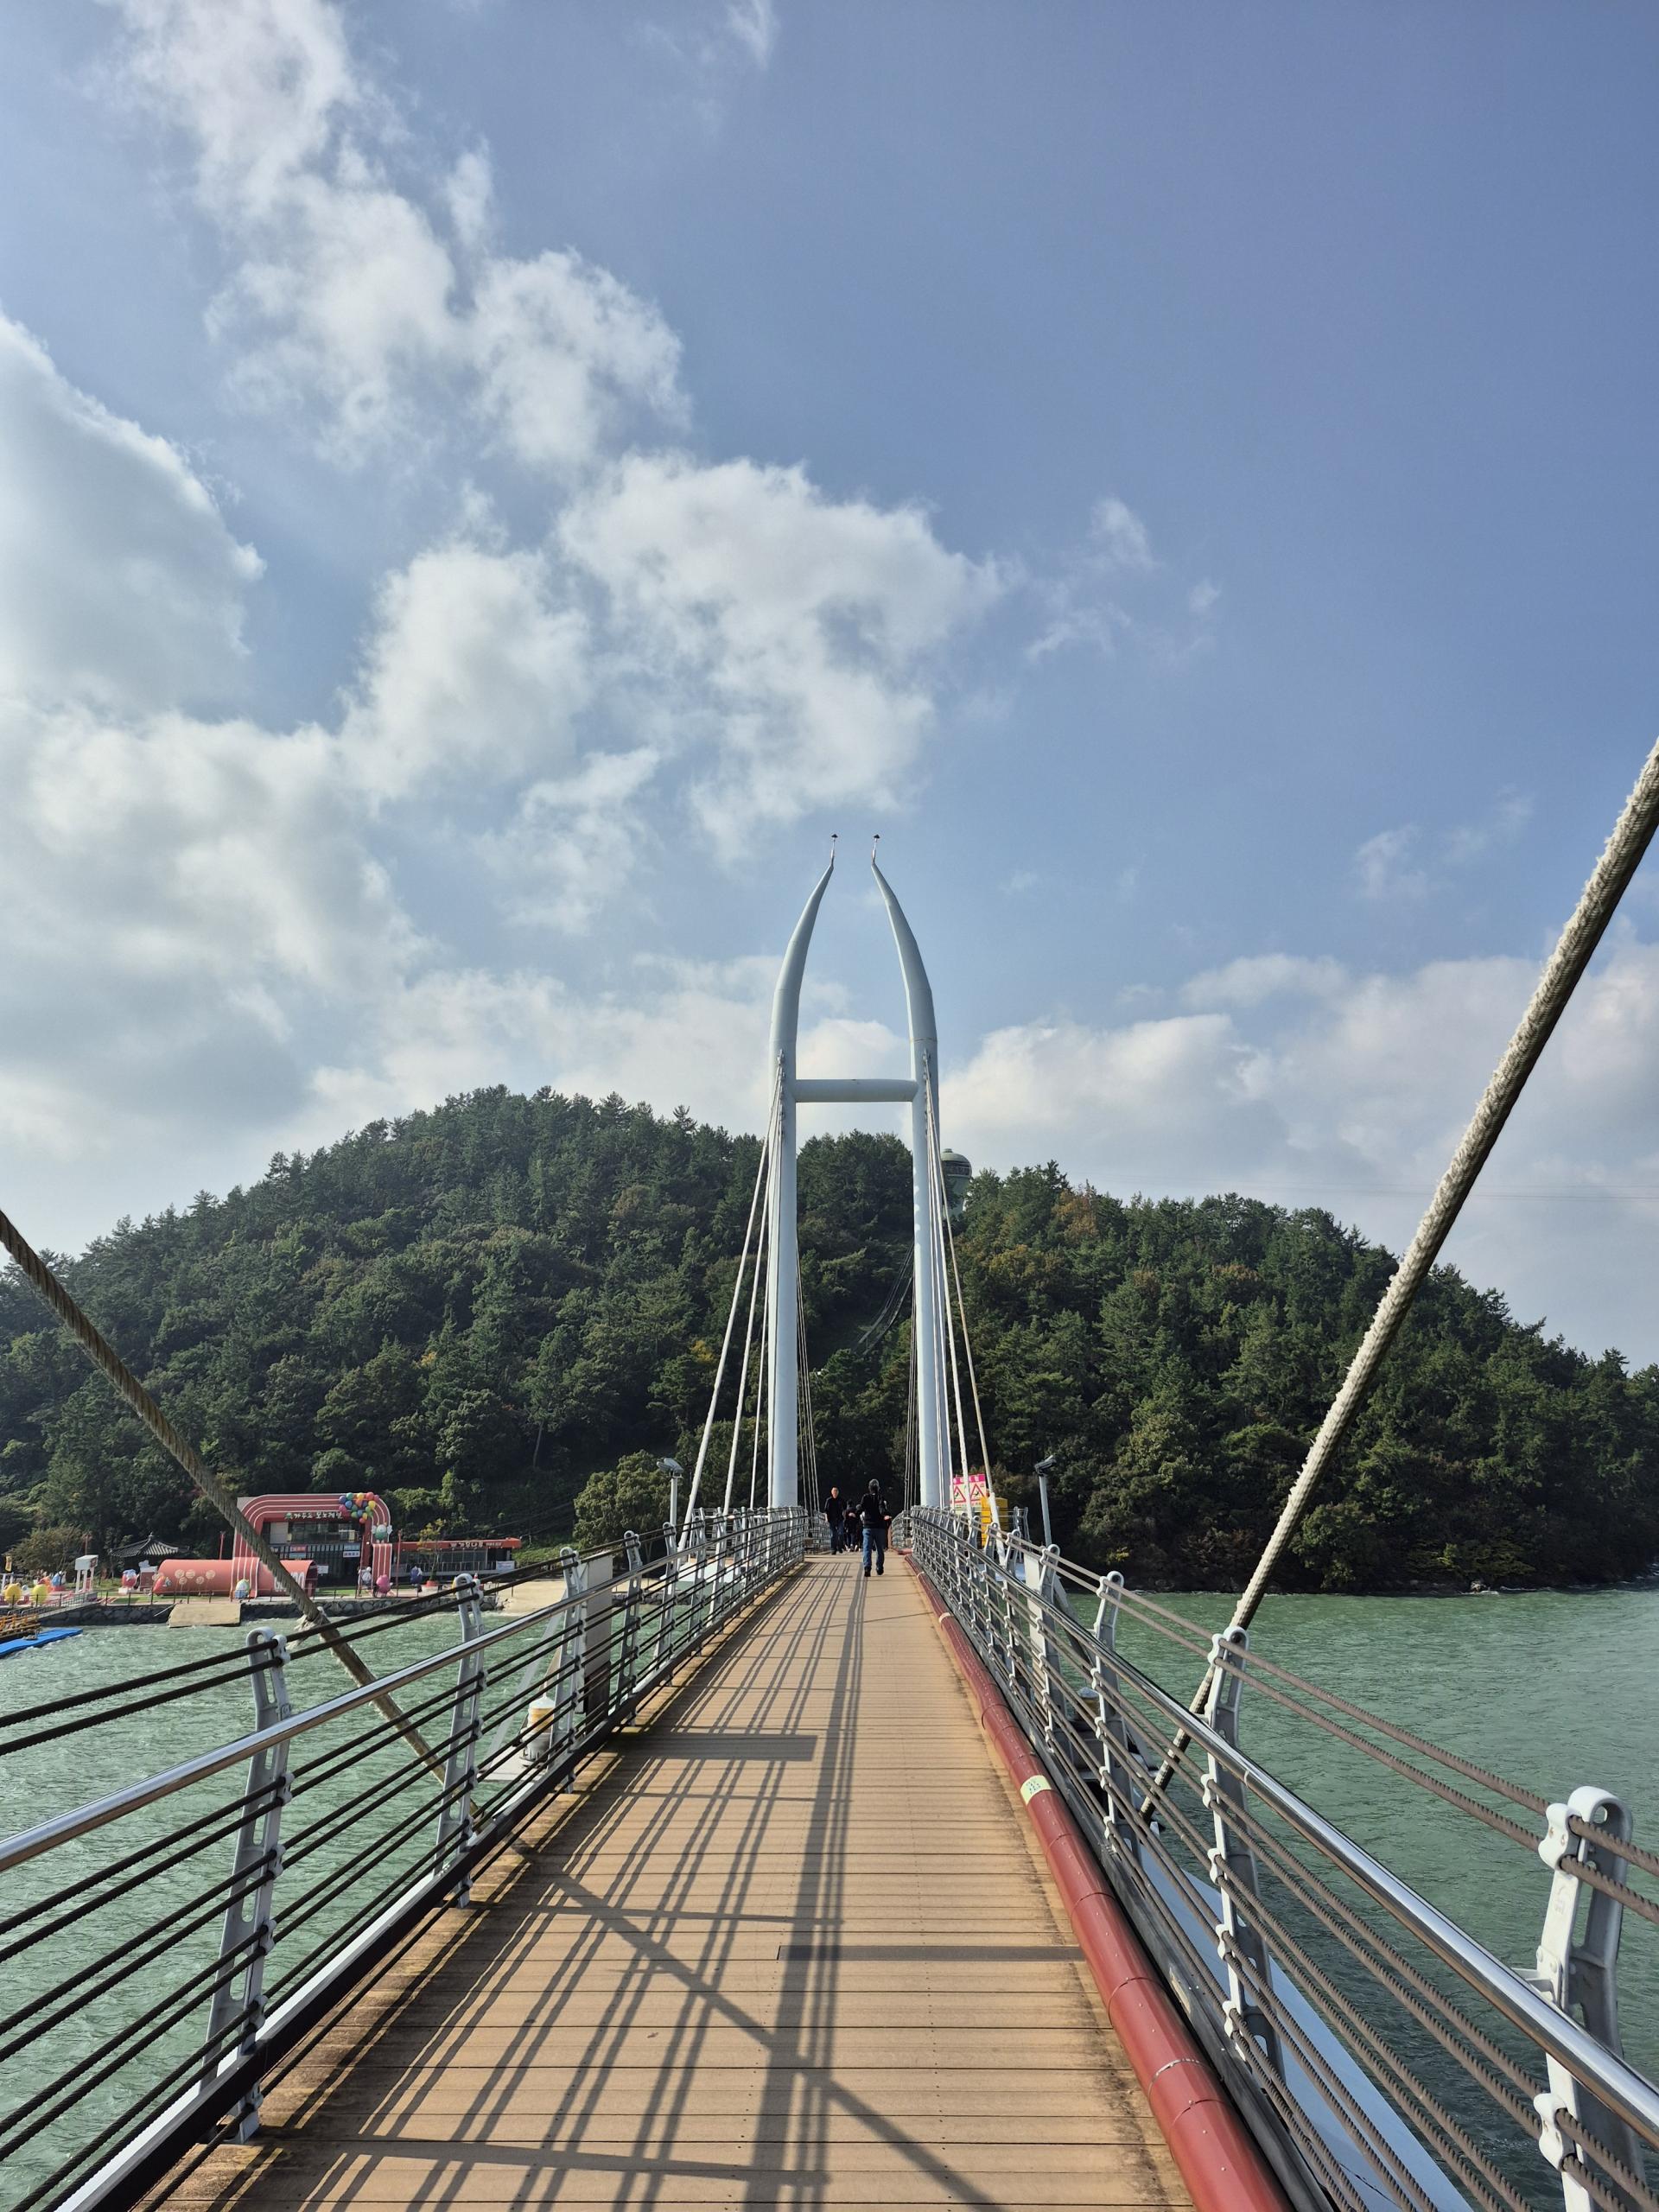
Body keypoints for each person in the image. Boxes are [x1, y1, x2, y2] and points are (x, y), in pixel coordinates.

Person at [858, 1481, 890, 1578]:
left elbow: (861, 1508)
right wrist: (885, 1514)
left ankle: (867, 1567)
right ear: (878, 1488)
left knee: (867, 1548)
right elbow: (882, 1508)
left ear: (869, 1488)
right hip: (879, 1527)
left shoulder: (865, 1497)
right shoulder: (880, 1497)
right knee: (879, 1548)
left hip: (868, 1527)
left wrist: (856, 1511)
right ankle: (879, 1568)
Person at [825, 1485, 846, 1552]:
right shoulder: (829, 1500)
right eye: (834, 1491)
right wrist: (826, 1518)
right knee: (833, 1534)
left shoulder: (841, 1500)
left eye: (836, 1491)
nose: (835, 1492)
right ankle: (833, 1548)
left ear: (838, 1492)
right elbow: (826, 1510)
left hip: (840, 1519)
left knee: (841, 1533)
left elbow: (844, 1509)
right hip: (831, 1519)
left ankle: (840, 1547)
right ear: (832, 1492)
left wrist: (844, 1517)